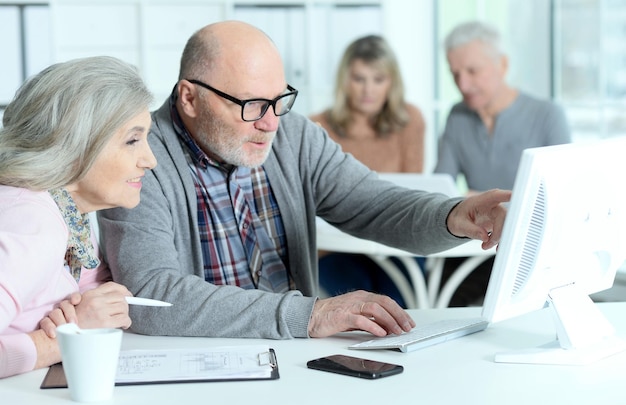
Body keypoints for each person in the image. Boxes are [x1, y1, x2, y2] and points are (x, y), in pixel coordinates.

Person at [93, 20, 509, 341]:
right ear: (189, 97)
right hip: (205, 359)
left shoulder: (293, 136)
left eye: (279, 100)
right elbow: (150, 295)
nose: (271, 123)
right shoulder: (139, 156)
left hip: (296, 351)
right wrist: (308, 315)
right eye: (253, 105)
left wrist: (456, 214)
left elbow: (374, 204)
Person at [0, 56, 157, 378]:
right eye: (132, 141)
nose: (150, 160)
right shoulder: (34, 225)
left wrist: (97, 304)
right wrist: (67, 336)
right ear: (73, 148)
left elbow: (82, 290)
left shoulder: (67, 212)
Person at [434, 20, 571, 306]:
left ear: (503, 65)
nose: (463, 84)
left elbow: (561, 196)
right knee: (441, 301)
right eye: (455, 73)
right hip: (475, 245)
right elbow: (440, 188)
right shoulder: (457, 117)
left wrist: (476, 200)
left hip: (531, 247)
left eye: (473, 71)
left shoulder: (547, 115)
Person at [310, 34, 426, 306]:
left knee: (398, 306)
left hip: (398, 245)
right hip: (336, 247)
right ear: (344, 80)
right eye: (359, 79)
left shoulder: (409, 121)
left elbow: (412, 191)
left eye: (378, 79)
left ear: (391, 82)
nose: (368, 90)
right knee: (361, 308)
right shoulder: (317, 125)